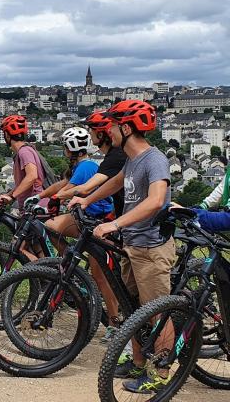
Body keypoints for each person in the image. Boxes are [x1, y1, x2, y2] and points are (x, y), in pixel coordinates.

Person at [69, 100, 174, 394]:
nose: (108, 131)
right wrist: (86, 199)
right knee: (133, 309)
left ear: (126, 128)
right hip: (133, 247)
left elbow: (155, 201)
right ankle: (139, 362)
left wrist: (116, 224)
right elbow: (116, 182)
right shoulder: (131, 160)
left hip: (151, 248)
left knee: (157, 312)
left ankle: (162, 373)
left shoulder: (154, 159)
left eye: (113, 125)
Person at [29, 111, 126, 342]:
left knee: (101, 275)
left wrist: (50, 201)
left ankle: (114, 322)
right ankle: (71, 264)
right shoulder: (91, 163)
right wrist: (43, 196)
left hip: (99, 220)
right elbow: (64, 185)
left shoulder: (90, 165)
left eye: (94, 130)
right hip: (93, 218)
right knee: (54, 228)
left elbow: (73, 189)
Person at [25, 127, 113, 259]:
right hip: (88, 213)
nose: (64, 149)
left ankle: (68, 260)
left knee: (50, 226)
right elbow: (61, 184)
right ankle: (68, 260)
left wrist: (46, 205)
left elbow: (65, 191)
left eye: (65, 146)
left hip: (95, 217)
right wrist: (39, 196)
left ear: (71, 148)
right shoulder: (82, 164)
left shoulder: (85, 167)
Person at [0, 115, 49, 209]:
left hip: (36, 207)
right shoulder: (25, 150)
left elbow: (32, 176)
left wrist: (12, 197)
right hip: (31, 207)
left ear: (7, 135)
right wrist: (9, 195)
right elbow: (24, 183)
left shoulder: (24, 152)